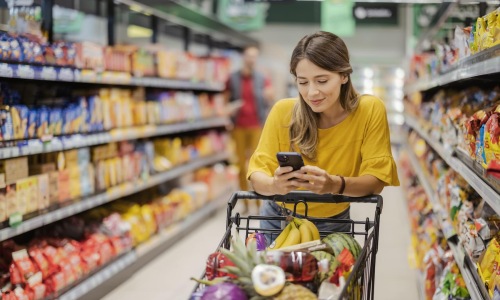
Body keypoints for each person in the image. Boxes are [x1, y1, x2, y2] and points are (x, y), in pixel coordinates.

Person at [246, 31, 400, 244]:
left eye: (322, 80)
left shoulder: (369, 110)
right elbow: (256, 175)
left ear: (344, 75)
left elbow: (376, 181)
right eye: (303, 82)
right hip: (278, 220)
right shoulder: (283, 112)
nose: (312, 93)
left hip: (333, 223)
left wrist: (333, 185)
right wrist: (275, 185)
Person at [226, 45, 274, 213]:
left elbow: (270, 97)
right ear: (243, 57)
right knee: (240, 165)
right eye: (249, 56)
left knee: (256, 166)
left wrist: (269, 96)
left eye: (254, 56)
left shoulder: (262, 78)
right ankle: (245, 202)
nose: (251, 59)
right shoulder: (232, 78)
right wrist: (229, 110)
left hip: (256, 126)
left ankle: (259, 202)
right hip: (238, 126)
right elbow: (225, 100)